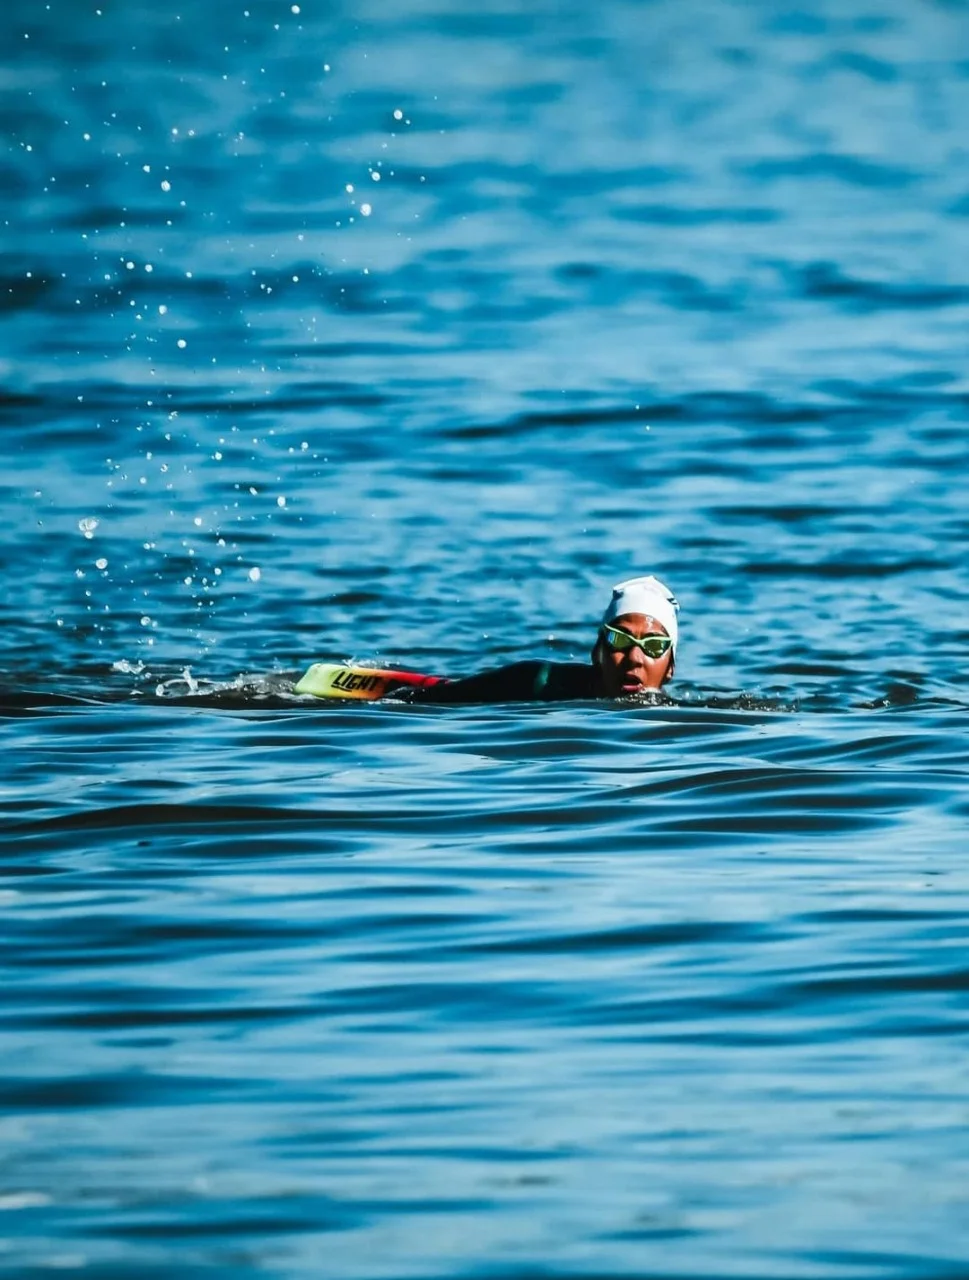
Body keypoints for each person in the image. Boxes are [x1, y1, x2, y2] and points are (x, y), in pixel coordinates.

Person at [405, 575, 678, 704]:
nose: (634, 657)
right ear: (597, 652)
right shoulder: (537, 682)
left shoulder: (680, 718)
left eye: (654, 646)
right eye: (619, 639)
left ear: (670, 669)